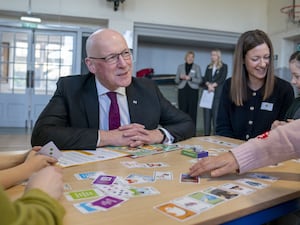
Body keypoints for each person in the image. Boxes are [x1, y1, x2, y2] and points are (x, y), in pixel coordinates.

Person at [31, 29, 195, 150]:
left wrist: (156, 135)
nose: (123, 64)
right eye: (111, 58)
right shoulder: (70, 88)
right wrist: (109, 137)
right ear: (91, 65)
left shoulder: (147, 88)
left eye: (125, 53)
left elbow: (186, 123)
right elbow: (41, 135)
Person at [216, 29, 294, 141]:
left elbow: (286, 137)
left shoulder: (284, 90)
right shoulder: (229, 85)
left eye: (266, 57)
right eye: (255, 59)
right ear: (242, 59)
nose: (263, 64)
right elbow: (222, 128)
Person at [201, 49, 227, 135]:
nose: (212, 57)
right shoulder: (209, 66)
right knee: (207, 116)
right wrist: (208, 84)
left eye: (214, 55)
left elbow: (222, 78)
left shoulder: (224, 66)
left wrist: (213, 85)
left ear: (218, 56)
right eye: (211, 55)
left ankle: (216, 135)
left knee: (216, 116)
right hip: (208, 93)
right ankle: (206, 135)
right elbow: (205, 78)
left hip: (217, 94)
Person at [272, 51, 300, 129]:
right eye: (292, 75)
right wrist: (279, 127)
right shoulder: (295, 103)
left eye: (297, 76)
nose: (292, 81)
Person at [175, 51, 202, 127]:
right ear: (185, 58)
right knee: (182, 111)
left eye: (192, 57)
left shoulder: (197, 67)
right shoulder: (180, 67)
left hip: (193, 91)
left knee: (192, 112)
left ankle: (192, 131)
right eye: (188, 57)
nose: (190, 58)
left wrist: (190, 78)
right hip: (182, 90)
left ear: (194, 58)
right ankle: (182, 129)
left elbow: (200, 80)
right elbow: (176, 80)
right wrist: (180, 78)